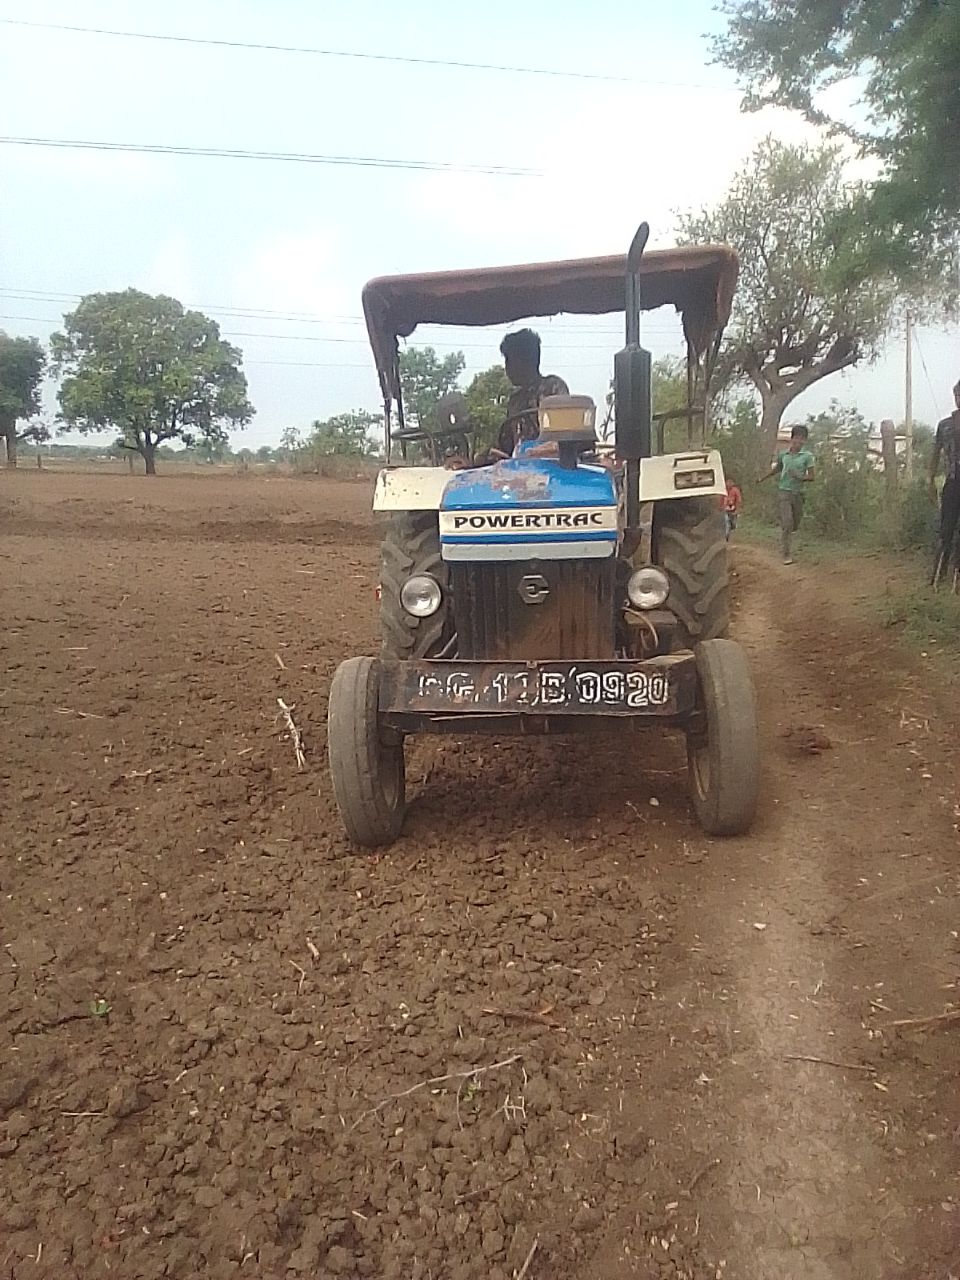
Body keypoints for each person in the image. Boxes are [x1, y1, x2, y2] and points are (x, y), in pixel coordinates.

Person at [494, 329, 569, 458]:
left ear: (525, 361)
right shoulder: (515, 401)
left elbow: (564, 436)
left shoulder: (553, 387)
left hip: (551, 464)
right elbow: (505, 447)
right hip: (520, 466)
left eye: (509, 360)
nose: (506, 367)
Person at [761, 424, 815, 564]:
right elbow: (777, 469)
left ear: (804, 441)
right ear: (792, 439)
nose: (798, 441)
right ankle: (786, 554)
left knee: (795, 523)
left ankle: (788, 533)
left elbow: (812, 476)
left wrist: (800, 477)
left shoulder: (807, 457)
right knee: (787, 522)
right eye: (796, 438)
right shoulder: (783, 455)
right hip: (784, 491)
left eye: (802, 439)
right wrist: (763, 478)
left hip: (798, 493)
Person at [929, 379, 960, 576]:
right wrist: (930, 480)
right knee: (946, 528)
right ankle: (938, 575)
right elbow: (935, 453)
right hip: (952, 481)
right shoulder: (945, 425)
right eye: (957, 395)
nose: (959, 399)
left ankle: (957, 574)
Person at [722, 474, 743, 540]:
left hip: (733, 508)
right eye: (728, 482)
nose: (729, 484)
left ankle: (732, 527)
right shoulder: (723, 490)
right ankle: (726, 535)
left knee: (733, 524)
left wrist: (737, 509)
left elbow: (739, 500)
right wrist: (721, 507)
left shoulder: (735, 490)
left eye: (730, 482)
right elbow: (721, 499)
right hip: (725, 509)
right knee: (726, 521)